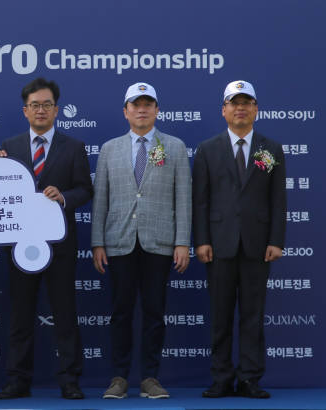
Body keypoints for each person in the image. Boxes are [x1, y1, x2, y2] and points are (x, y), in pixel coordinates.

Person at [0, 77, 93, 400]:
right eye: (34, 105)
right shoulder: (10, 147)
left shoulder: (74, 147)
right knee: (21, 314)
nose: (40, 110)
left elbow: (85, 190)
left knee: (65, 312)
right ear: (25, 111)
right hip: (20, 244)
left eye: (46, 105)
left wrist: (63, 196)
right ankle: (17, 380)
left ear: (56, 110)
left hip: (60, 245)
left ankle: (70, 380)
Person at [91, 83, 191, 399]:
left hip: (159, 242)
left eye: (148, 104)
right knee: (120, 312)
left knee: (154, 311)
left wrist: (182, 241)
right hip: (119, 241)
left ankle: (150, 377)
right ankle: (118, 378)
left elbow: (183, 198)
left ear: (157, 110)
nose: (142, 109)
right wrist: (97, 242)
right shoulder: (109, 149)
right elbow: (101, 199)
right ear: (126, 111)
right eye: (136, 104)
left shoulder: (174, 146)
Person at [193, 80, 286, 399]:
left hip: (258, 245)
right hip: (218, 244)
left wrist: (276, 239)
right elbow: (201, 200)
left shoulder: (271, 149)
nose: (240, 108)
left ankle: (249, 377)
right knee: (220, 315)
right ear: (224, 110)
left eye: (247, 102)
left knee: (252, 315)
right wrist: (201, 240)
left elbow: (278, 200)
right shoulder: (207, 149)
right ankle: (221, 377)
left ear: (256, 110)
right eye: (234, 103)